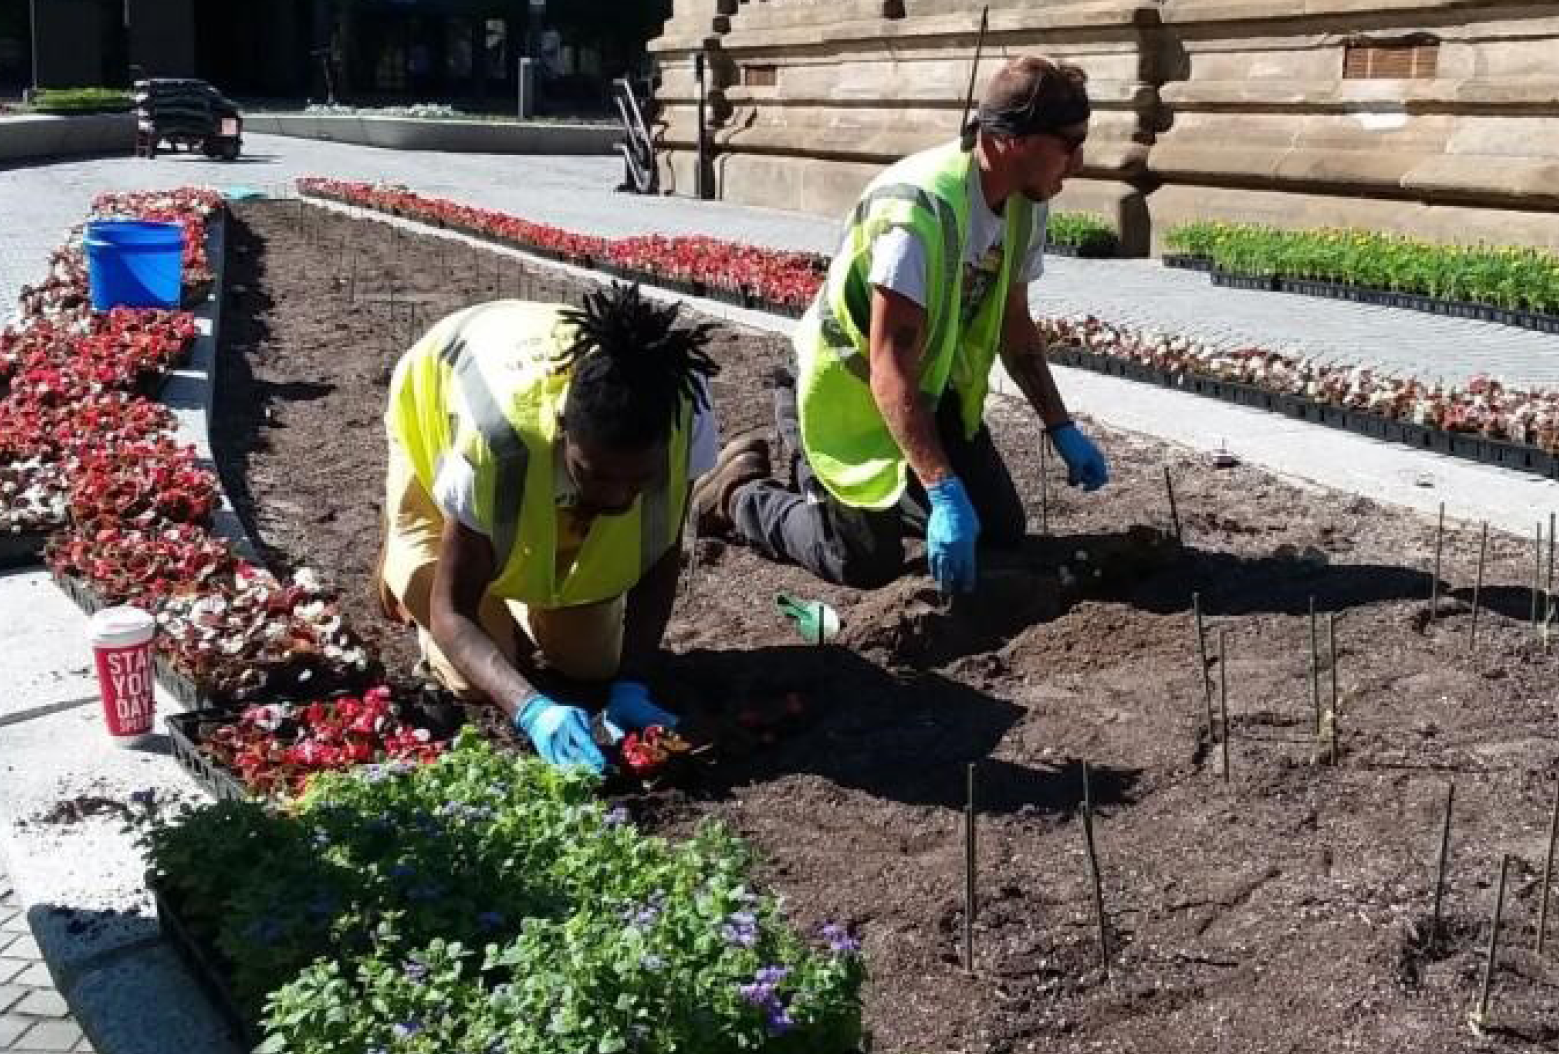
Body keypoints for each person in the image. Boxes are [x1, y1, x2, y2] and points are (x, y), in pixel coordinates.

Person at [715, 55, 1110, 594]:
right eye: (1069, 143)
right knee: (863, 562)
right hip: (847, 393)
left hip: (926, 390)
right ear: (1016, 140)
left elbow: (1015, 327)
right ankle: (739, 495)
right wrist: (944, 490)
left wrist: (1060, 426)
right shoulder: (916, 214)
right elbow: (888, 366)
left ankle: (902, 489)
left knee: (1001, 531)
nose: (1079, 161)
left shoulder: (1027, 201)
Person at [377, 284, 769, 771]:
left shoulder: (683, 415)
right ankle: (411, 574)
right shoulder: (493, 442)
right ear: (563, 429)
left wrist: (632, 683)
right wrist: (530, 708)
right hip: (437, 392)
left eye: (637, 480)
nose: (617, 497)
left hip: (539, 438)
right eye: (595, 474)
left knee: (593, 665)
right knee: (478, 676)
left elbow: (661, 553)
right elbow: (451, 609)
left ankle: (518, 587)